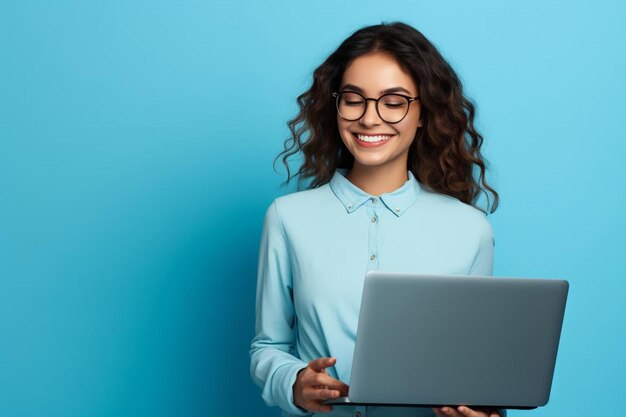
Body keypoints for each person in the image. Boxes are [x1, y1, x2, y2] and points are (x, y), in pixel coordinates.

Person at [249, 21, 503, 417]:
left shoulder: (471, 230)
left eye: (394, 101)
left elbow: (474, 366)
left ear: (423, 113)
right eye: (354, 99)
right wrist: (295, 382)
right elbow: (268, 348)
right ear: (335, 106)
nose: (370, 118)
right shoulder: (287, 219)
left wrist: (483, 410)